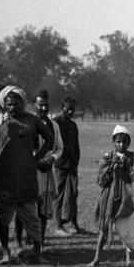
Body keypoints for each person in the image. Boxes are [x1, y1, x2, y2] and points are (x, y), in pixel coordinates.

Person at [0, 86, 53, 264]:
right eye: (9, 103)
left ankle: (37, 252)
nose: (13, 106)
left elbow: (50, 139)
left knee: (32, 217)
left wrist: (36, 158)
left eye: (17, 103)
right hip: (4, 178)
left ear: (23, 103)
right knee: (3, 218)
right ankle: (6, 252)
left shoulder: (33, 120)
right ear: (3, 104)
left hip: (26, 177)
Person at [14, 90, 61, 250]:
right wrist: (35, 159)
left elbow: (59, 148)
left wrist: (52, 158)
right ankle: (19, 242)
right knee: (24, 206)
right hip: (29, 170)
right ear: (34, 105)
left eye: (46, 105)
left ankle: (39, 243)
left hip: (46, 172)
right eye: (40, 105)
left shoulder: (53, 125)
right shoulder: (28, 122)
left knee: (43, 209)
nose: (43, 108)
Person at [88, 125, 134, 267]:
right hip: (108, 197)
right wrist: (111, 168)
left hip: (125, 197)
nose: (121, 145)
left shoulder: (131, 158)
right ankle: (97, 258)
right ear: (114, 142)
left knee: (125, 229)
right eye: (118, 142)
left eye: (125, 142)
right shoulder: (107, 158)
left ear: (129, 143)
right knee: (104, 227)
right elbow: (100, 180)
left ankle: (129, 258)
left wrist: (127, 167)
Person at [52, 97, 82, 236]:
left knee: (73, 194)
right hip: (60, 164)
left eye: (72, 109)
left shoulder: (73, 125)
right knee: (58, 195)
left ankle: (73, 224)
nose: (70, 111)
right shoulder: (56, 122)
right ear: (62, 107)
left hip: (72, 164)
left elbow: (76, 145)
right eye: (67, 108)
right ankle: (58, 225)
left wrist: (76, 159)